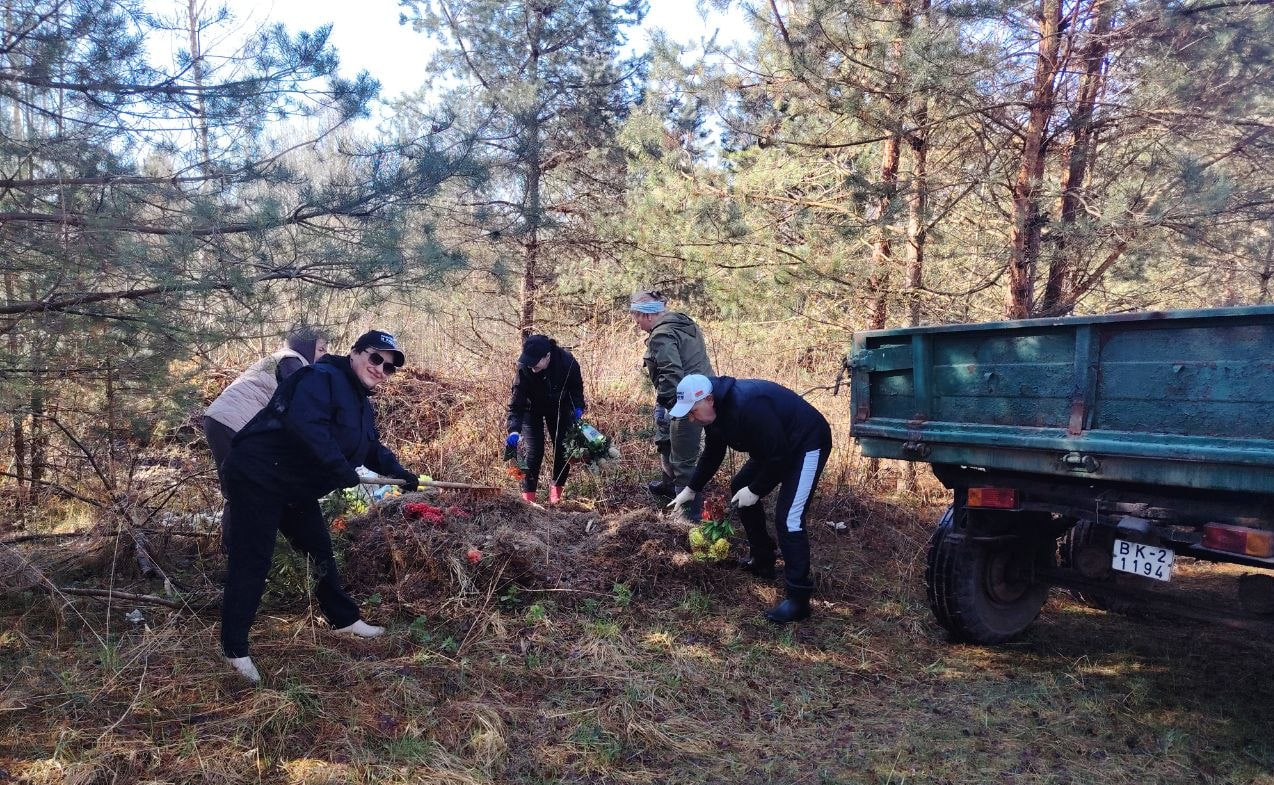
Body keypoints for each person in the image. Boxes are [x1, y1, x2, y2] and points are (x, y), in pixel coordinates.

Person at [218, 329, 420, 682]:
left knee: (319, 550)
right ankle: (234, 650)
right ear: (356, 353)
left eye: (388, 368)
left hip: (294, 485)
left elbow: (370, 448)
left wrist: (401, 473)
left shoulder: (360, 402)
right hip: (258, 475)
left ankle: (343, 620)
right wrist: (338, 468)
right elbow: (305, 424)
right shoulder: (320, 377)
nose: (380, 370)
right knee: (253, 559)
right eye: (376, 358)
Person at [667, 374, 833, 624]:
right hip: (775, 447)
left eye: (692, 411)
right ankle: (763, 560)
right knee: (739, 487)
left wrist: (755, 490)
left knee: (789, 519)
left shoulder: (748, 405)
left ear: (709, 399)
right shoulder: (713, 415)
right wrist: (691, 489)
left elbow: (780, 456)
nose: (691, 418)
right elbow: (713, 453)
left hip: (805, 443)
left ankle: (799, 599)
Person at [203, 327, 328, 544]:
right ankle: (237, 558)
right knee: (244, 491)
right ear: (306, 347)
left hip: (220, 421)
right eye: (320, 349)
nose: (324, 354)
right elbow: (300, 406)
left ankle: (236, 556)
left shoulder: (282, 359)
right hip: (234, 424)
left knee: (238, 489)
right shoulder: (292, 361)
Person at [629, 289, 713, 519]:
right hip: (698, 393)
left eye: (636, 318)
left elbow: (671, 373)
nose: (636, 323)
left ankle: (687, 516)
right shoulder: (682, 322)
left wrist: (671, 405)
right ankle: (669, 486)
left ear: (647, 316)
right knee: (666, 442)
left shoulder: (661, 335)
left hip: (687, 402)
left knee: (683, 459)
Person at [505, 334, 586, 505]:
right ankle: (528, 500)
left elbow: (576, 387)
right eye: (529, 363)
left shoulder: (567, 362)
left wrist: (577, 407)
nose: (531, 367)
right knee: (535, 451)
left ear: (547, 356)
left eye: (535, 363)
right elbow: (517, 402)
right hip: (531, 410)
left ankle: (555, 497)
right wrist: (513, 429)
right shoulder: (524, 367)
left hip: (559, 407)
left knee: (563, 450)